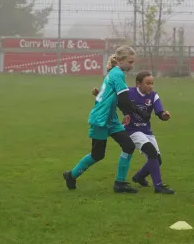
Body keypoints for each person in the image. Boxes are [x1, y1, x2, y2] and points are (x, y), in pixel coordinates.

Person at [63, 46, 150, 193]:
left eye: (133, 62)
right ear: (121, 60)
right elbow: (124, 100)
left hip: (111, 119)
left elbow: (117, 99)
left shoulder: (115, 73)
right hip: (101, 120)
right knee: (97, 155)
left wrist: (127, 113)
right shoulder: (117, 74)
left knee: (128, 146)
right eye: (130, 61)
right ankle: (71, 175)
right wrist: (140, 113)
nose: (131, 65)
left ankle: (120, 183)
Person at [92, 71, 175, 194]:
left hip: (147, 131)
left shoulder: (154, 96)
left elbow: (159, 112)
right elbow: (111, 98)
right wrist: (98, 93)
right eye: (147, 83)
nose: (151, 86)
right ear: (138, 84)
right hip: (132, 130)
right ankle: (158, 186)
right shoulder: (128, 93)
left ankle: (139, 177)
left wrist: (164, 115)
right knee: (151, 152)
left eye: (152, 83)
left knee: (157, 161)